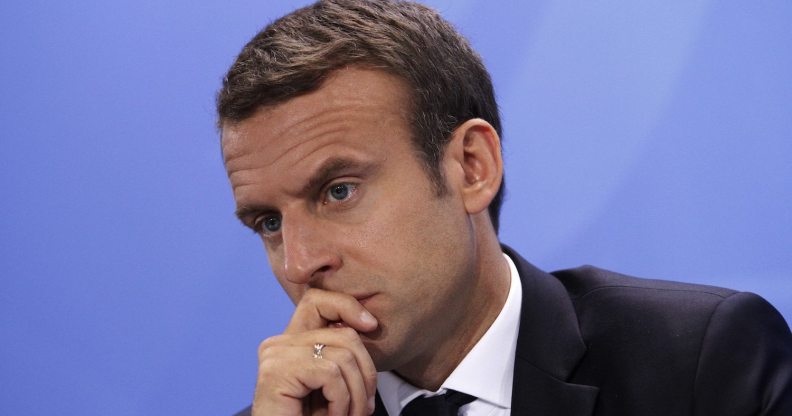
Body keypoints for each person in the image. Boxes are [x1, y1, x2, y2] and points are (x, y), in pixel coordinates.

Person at [216, 1, 792, 415]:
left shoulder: (699, 364)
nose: (299, 263)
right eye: (269, 222)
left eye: (339, 191)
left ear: (472, 167)